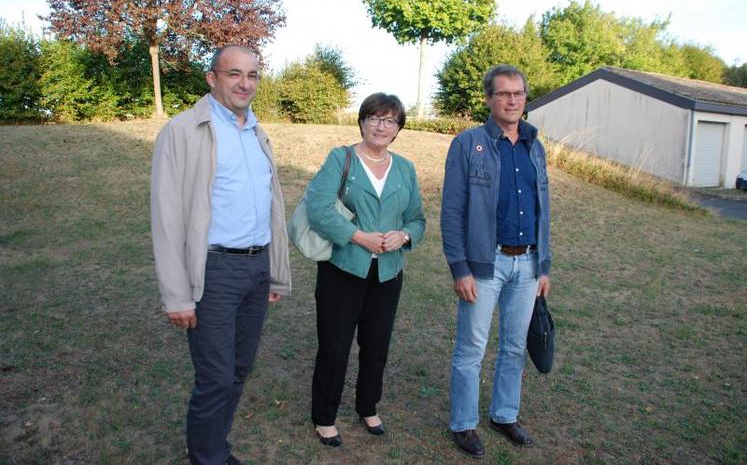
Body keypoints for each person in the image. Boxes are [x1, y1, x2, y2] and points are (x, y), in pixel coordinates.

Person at [151, 45, 291, 465]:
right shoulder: (184, 130)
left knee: (238, 370)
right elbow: (167, 217)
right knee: (215, 377)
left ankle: (211, 447)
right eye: (234, 73)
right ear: (212, 78)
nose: (245, 83)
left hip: (256, 267)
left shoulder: (256, 131)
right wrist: (177, 295)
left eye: (252, 74)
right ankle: (207, 457)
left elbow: (272, 207)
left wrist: (273, 274)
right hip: (213, 270)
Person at [441, 65, 552, 457]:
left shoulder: (534, 146)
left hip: (527, 266)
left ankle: (504, 415)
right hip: (484, 264)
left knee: (513, 347)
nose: (512, 100)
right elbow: (452, 211)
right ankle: (464, 423)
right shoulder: (468, 144)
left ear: (525, 98)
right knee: (471, 348)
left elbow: (544, 209)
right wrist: (460, 267)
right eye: (503, 94)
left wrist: (544, 266)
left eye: (518, 94)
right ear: (489, 99)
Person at [305, 93, 426, 446]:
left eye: (390, 120)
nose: (381, 125)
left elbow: (417, 220)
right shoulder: (340, 158)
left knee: (376, 346)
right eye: (374, 117)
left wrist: (403, 235)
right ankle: (325, 416)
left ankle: (368, 406)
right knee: (335, 345)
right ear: (361, 121)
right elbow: (319, 209)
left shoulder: (405, 168)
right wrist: (359, 237)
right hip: (343, 269)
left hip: (388, 274)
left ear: (398, 129)